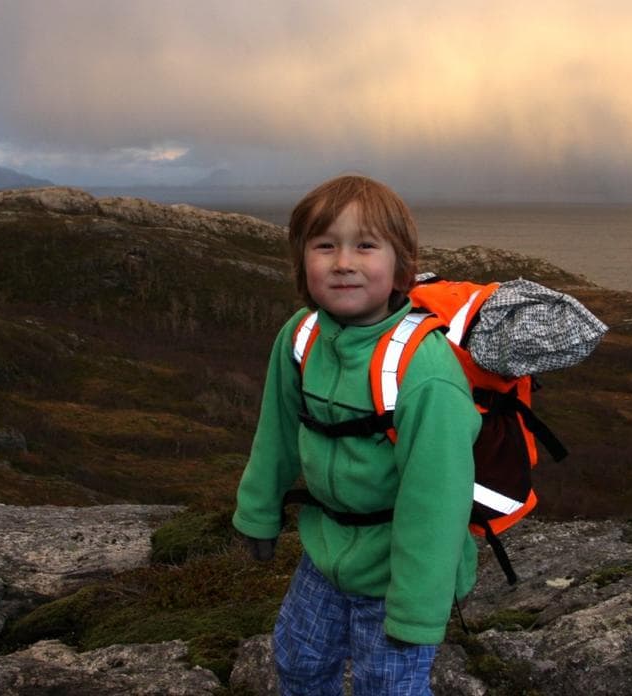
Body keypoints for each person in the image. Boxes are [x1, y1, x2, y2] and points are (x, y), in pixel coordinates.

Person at [233, 174, 481, 694]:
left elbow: (437, 501)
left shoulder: (425, 370)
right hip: (325, 556)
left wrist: (416, 612)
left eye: (366, 246)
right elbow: (275, 432)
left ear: (401, 267)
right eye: (325, 246)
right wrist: (257, 514)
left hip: (400, 573)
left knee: (388, 688)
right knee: (297, 661)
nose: (343, 262)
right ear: (303, 262)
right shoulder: (301, 335)